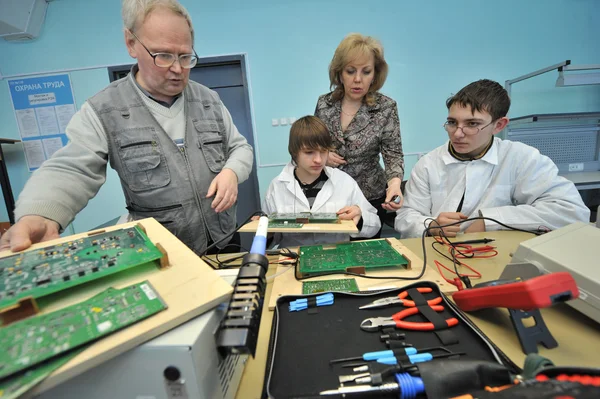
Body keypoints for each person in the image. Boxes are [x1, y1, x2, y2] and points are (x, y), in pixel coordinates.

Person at [0, 0, 253, 255]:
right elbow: (72, 168)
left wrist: (231, 171)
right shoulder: (104, 110)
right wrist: (41, 213)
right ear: (131, 43)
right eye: (163, 55)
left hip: (224, 238)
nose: (177, 69)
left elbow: (240, 148)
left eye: (185, 56)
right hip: (163, 250)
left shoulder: (208, 100)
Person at [395, 79, 590, 238]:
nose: (458, 134)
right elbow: (405, 218)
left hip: (500, 253)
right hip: (439, 253)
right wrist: (432, 225)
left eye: (472, 124)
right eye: (452, 122)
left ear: (499, 125)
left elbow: (572, 212)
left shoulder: (522, 158)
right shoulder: (429, 164)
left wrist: (488, 220)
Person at [315, 33, 404, 238]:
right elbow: (314, 142)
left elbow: (393, 154)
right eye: (350, 71)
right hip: (331, 193)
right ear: (339, 74)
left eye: (366, 72)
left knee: (366, 254)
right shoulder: (324, 104)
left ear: (375, 74)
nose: (357, 79)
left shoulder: (386, 107)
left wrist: (395, 185)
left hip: (369, 196)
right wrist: (324, 155)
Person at [263, 116, 380, 247]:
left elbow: (374, 225)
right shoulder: (277, 187)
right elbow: (268, 240)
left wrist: (359, 217)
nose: (318, 160)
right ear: (294, 152)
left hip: (337, 259)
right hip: (293, 260)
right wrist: (264, 230)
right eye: (309, 152)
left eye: (323, 152)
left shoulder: (344, 182)